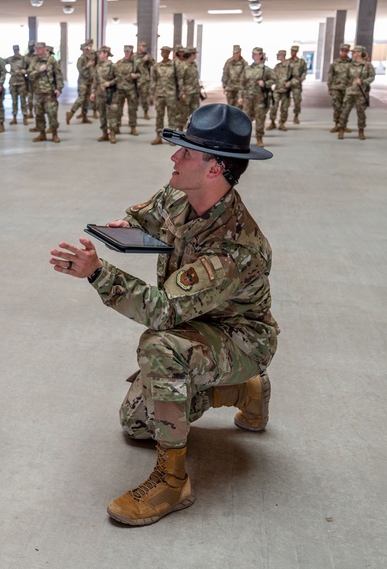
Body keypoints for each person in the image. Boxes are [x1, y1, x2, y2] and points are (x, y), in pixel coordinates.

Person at [50, 103, 277, 526]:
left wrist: (97, 272)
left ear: (215, 169)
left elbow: (164, 312)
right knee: (137, 424)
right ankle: (242, 392)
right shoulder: (180, 194)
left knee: (159, 347)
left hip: (239, 336)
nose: (174, 157)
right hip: (197, 322)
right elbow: (147, 215)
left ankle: (172, 482)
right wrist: (126, 225)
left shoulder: (236, 247)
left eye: (187, 152)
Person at [336, 45, 374, 140]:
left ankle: (361, 131)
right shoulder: (350, 65)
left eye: (354, 52)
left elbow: (372, 77)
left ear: (360, 53)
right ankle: (341, 129)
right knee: (344, 111)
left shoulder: (367, 65)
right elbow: (346, 77)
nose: (352, 53)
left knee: (361, 113)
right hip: (349, 92)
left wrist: (363, 82)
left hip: (361, 93)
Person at [237, 47, 272, 146]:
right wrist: (240, 96)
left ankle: (259, 138)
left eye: (256, 54)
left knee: (260, 118)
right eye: (253, 54)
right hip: (248, 98)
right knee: (246, 119)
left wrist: (265, 83)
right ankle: (244, 139)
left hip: (260, 98)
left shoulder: (266, 69)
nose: (254, 56)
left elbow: (274, 80)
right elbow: (242, 84)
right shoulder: (247, 69)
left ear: (260, 55)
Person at [29, 41, 63, 142]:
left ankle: (54, 134)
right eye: (36, 48)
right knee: (39, 114)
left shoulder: (51, 61)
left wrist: (59, 88)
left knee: (52, 114)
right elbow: (29, 74)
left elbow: (58, 75)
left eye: (40, 48)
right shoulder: (33, 61)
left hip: (49, 92)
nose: (38, 50)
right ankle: (42, 134)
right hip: (38, 92)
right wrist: (38, 70)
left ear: (45, 49)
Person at [150, 45, 177, 144]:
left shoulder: (174, 65)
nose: (163, 53)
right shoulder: (156, 66)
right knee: (159, 116)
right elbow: (153, 81)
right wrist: (151, 95)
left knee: (172, 116)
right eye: (162, 52)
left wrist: (180, 93)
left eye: (165, 52)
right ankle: (158, 136)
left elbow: (178, 80)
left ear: (169, 53)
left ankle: (172, 138)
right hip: (159, 94)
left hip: (171, 94)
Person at [113, 45, 140, 136]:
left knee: (132, 109)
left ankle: (133, 127)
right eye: (126, 51)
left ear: (131, 52)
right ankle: (116, 127)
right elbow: (114, 75)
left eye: (129, 51)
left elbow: (142, 74)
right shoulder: (119, 63)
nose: (127, 53)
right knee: (118, 109)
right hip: (120, 89)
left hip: (131, 89)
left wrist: (136, 76)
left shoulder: (135, 64)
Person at [66, 43, 95, 125]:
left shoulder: (89, 58)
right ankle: (71, 113)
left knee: (86, 100)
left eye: (88, 49)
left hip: (89, 81)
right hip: (83, 81)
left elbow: (92, 70)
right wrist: (87, 65)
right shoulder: (81, 59)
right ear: (82, 50)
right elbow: (80, 70)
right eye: (86, 49)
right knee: (81, 98)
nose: (87, 51)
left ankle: (84, 116)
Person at [268, 50, 289, 131]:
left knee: (284, 108)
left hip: (285, 90)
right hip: (277, 90)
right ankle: (272, 122)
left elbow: (295, 76)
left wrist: (290, 83)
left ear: (283, 55)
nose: (277, 56)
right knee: (273, 106)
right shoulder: (277, 66)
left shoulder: (289, 66)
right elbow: (272, 76)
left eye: (278, 55)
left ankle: (282, 123)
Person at [286, 45, 307, 124]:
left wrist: (302, 78)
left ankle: (296, 115)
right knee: (286, 101)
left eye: (294, 51)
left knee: (297, 101)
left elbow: (305, 71)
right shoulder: (287, 61)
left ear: (297, 51)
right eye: (292, 51)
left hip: (297, 83)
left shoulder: (301, 62)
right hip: (287, 83)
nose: (293, 52)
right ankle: (284, 116)